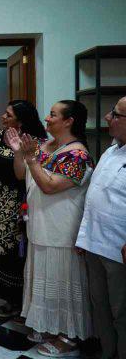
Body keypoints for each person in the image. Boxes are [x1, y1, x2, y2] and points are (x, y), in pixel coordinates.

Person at [7, 100, 93, 357]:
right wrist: (19, 153)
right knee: (44, 277)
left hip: (61, 229)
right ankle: (49, 326)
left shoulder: (77, 154)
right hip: (41, 226)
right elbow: (22, 175)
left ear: (69, 121)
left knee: (62, 280)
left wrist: (31, 157)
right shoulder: (47, 145)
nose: (47, 117)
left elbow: (50, 185)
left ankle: (67, 336)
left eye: (53, 115)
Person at [0, 100, 46, 318]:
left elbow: (32, 174)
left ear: (20, 120)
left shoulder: (33, 142)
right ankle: (4, 295)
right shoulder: (1, 136)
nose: (3, 117)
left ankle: (20, 300)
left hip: (20, 204)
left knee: (16, 250)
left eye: (8, 115)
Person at [76, 96, 126, 359]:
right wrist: (84, 238)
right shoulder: (111, 150)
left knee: (121, 313)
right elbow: (94, 197)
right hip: (95, 245)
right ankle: (107, 353)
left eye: (115, 115)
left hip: (119, 250)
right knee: (101, 308)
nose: (108, 118)